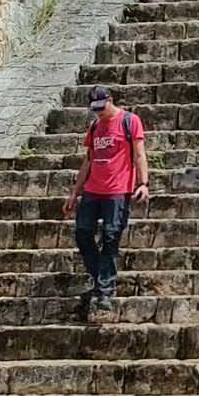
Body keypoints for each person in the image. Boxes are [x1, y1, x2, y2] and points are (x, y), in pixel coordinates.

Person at [63, 85, 149, 319]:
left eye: (102, 107)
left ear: (110, 100)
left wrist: (143, 183)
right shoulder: (94, 127)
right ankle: (102, 280)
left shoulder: (129, 121)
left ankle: (104, 292)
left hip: (118, 191)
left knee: (111, 237)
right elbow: (88, 161)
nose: (99, 113)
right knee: (82, 233)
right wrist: (74, 192)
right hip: (92, 190)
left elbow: (139, 154)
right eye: (95, 109)